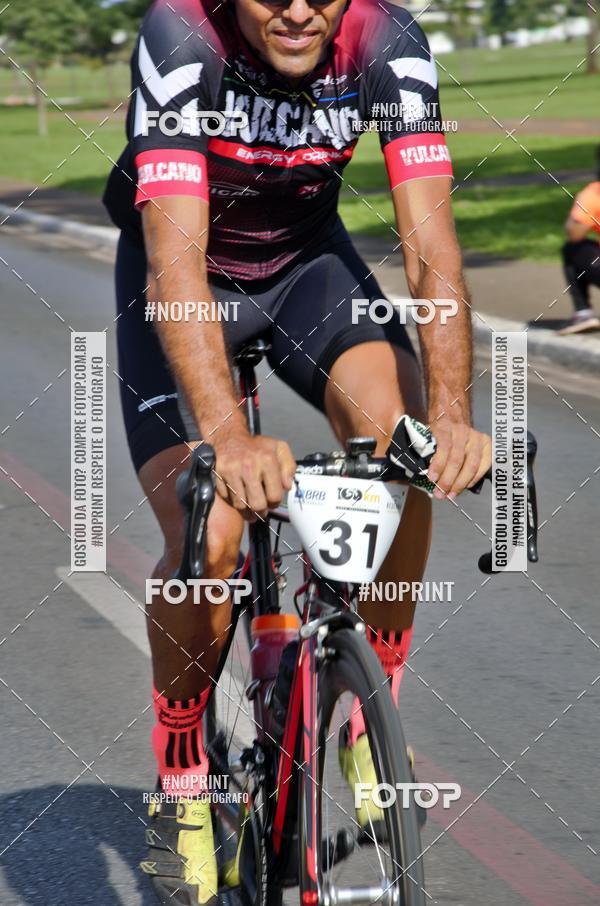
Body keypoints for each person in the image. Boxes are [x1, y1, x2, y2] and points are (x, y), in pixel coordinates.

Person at [103, 0, 491, 901]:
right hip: (184, 279)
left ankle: (368, 706)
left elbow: (429, 242)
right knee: (213, 536)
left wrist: (456, 413)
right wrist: (229, 436)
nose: (297, 8)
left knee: (407, 452)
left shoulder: (387, 39)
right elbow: (174, 258)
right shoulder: (180, 35)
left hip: (307, 271)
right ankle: (183, 776)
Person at [559, 146, 600, 335]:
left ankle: (584, 313)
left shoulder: (594, 194)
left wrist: (581, 205)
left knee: (572, 249)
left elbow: (574, 233)